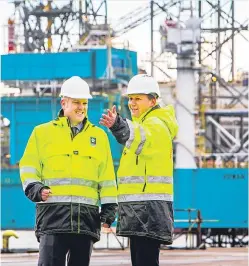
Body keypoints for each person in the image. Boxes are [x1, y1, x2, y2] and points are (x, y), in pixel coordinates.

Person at [19, 76, 117, 266]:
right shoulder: (42, 133)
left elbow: (106, 178)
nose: (81, 107)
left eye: (84, 103)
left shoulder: (99, 137)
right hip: (53, 218)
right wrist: (36, 188)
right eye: (76, 102)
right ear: (64, 103)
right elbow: (28, 166)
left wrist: (109, 207)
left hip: (86, 221)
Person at [100, 74, 178, 266]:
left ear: (153, 100)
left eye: (138, 99)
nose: (132, 103)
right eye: (130, 98)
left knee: (145, 260)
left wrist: (118, 125)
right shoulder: (147, 123)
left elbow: (139, 138)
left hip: (148, 210)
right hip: (141, 209)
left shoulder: (157, 125)